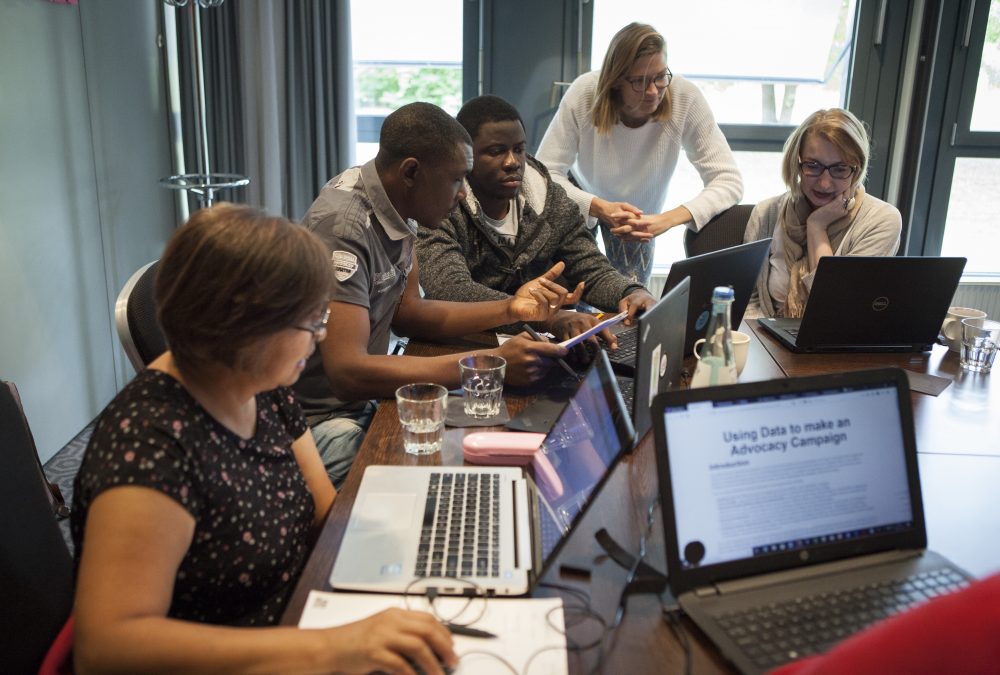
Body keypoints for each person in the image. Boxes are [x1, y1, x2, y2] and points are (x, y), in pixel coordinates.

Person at [71, 203, 457, 674]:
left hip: (296, 619)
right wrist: (333, 648)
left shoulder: (261, 387)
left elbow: (322, 517)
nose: (319, 338)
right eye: (312, 322)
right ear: (246, 326)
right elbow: (107, 647)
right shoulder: (149, 448)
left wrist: (420, 533)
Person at [295, 102, 571, 487]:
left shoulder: (395, 199)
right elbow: (348, 373)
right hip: (325, 421)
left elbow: (408, 311)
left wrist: (510, 308)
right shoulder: (343, 230)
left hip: (362, 401)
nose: (462, 194)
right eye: (457, 179)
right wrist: (488, 361)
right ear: (412, 171)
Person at [416, 94, 657, 343]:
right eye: (496, 151)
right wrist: (547, 318)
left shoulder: (549, 199)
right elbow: (449, 290)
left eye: (519, 149)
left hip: (537, 345)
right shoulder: (441, 205)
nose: (512, 162)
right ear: (465, 156)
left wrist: (631, 292)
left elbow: (590, 267)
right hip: (463, 344)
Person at [536, 21, 743, 286]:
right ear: (616, 80)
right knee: (577, 289)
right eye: (639, 81)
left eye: (659, 77)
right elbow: (544, 174)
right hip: (584, 192)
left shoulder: (685, 97)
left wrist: (666, 220)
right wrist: (597, 206)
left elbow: (729, 180)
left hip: (641, 212)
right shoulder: (585, 93)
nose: (653, 91)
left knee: (630, 296)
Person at [743, 108, 902, 319]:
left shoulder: (881, 221)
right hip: (768, 339)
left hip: (835, 345)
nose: (825, 183)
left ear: (857, 169)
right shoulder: (767, 213)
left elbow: (838, 305)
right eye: (813, 165)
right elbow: (750, 301)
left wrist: (817, 227)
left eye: (840, 168)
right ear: (797, 162)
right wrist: (761, 346)